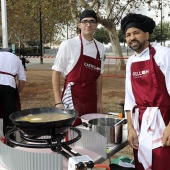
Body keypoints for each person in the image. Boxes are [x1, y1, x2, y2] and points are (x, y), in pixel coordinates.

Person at [121, 13, 170, 170]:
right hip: (140, 123)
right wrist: (130, 128)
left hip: (163, 120)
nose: (132, 38)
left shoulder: (163, 54)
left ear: (147, 34)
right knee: (141, 165)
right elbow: (129, 99)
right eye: (128, 35)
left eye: (136, 33)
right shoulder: (130, 62)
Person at [52, 9, 105, 126]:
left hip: (91, 98)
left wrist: (99, 102)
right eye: (85, 21)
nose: (88, 24)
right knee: (72, 131)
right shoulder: (68, 44)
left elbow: (99, 77)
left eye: (92, 21)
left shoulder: (100, 47)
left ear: (96, 25)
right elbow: (56, 72)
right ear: (79, 24)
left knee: (91, 131)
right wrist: (58, 102)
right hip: (73, 97)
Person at [0, 48, 26, 135]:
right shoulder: (16, 59)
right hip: (9, 87)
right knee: (9, 115)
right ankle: (9, 139)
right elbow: (22, 81)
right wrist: (16, 93)